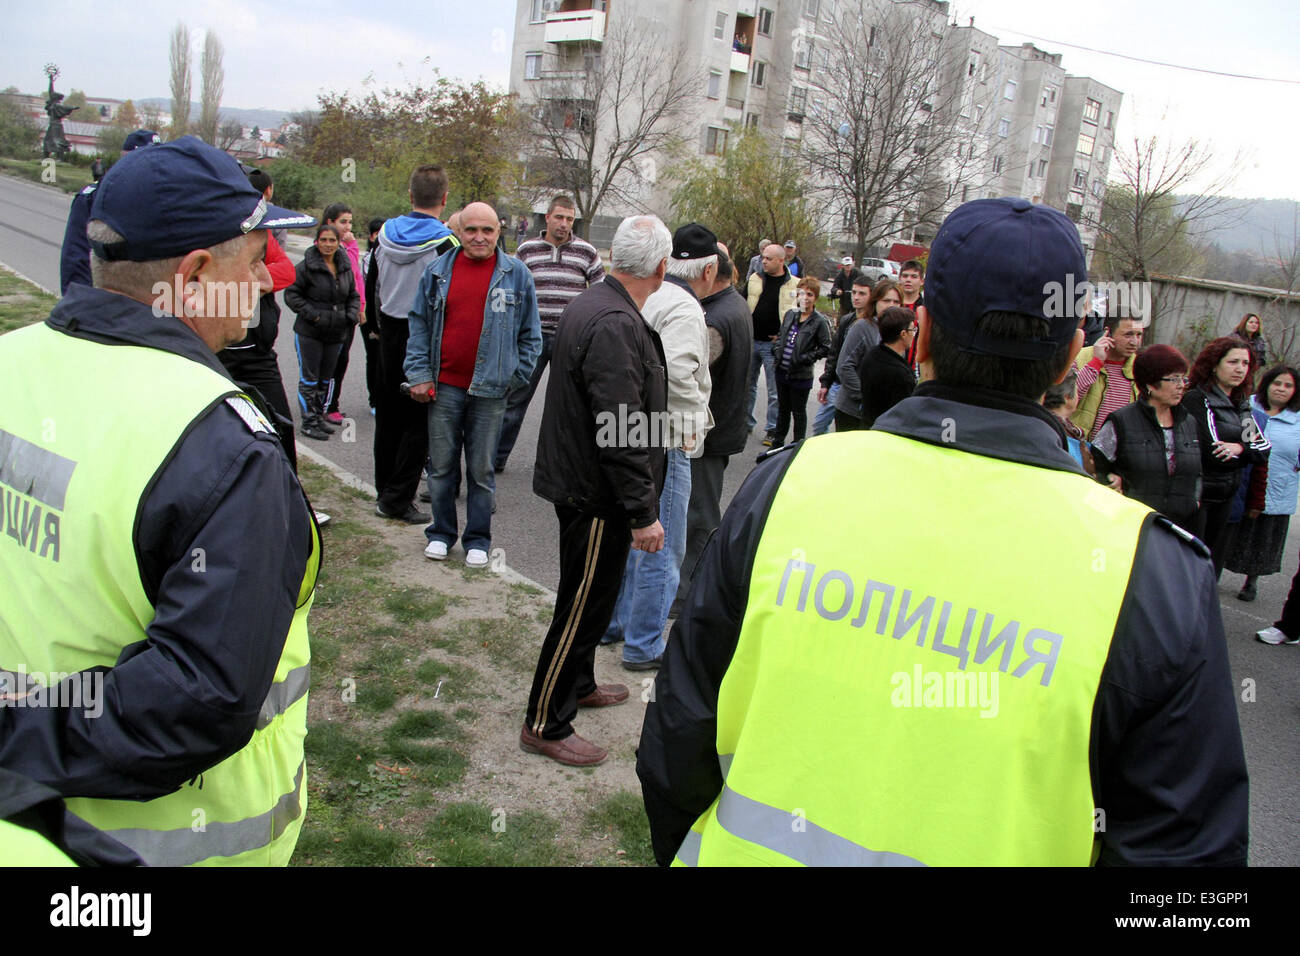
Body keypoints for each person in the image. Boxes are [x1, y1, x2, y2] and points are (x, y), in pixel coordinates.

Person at [637, 196, 1248, 867]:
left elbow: (677, 739)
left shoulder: (786, 489)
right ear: (1072, 354)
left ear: (921, 334)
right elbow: (1185, 856)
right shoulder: (1152, 570)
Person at [0, 135, 322, 866]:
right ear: (197, 272)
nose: (271, 281)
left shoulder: (10, 361)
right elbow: (193, 703)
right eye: (254, 257)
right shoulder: (221, 443)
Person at [523, 215, 671, 767]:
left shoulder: (600, 301)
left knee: (597, 594)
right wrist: (643, 512)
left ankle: (580, 682)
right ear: (660, 267)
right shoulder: (612, 320)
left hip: (591, 483)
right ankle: (545, 720)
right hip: (595, 492)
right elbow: (621, 427)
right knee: (581, 604)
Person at [602, 223, 716, 670]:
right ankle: (644, 643)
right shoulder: (684, 309)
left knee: (629, 537)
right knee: (659, 545)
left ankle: (614, 625)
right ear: (706, 271)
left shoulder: (636, 296)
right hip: (663, 441)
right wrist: (692, 427)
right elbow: (675, 377)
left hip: (626, 433)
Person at [404, 202, 541, 568]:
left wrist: (515, 376)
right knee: (442, 467)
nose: (479, 237)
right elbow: (417, 326)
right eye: (471, 230)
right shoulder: (437, 272)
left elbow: (531, 336)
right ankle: (441, 534)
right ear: (459, 232)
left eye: (487, 230)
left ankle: (478, 539)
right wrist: (418, 374)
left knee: (481, 471)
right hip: (444, 387)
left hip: (491, 392)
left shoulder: (516, 275)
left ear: (499, 232)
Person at [373, 165, 459, 524]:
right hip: (424, 337)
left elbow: (371, 284)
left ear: (410, 196)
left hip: (387, 330)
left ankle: (384, 491)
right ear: (444, 198)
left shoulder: (383, 236)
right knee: (419, 423)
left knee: (388, 416)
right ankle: (398, 499)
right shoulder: (446, 243)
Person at [496, 195, 606, 473]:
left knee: (569, 405)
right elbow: (511, 290)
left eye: (570, 219)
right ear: (547, 217)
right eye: (559, 217)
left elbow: (601, 294)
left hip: (571, 339)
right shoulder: (527, 249)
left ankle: (565, 465)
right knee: (515, 400)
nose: (564, 224)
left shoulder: (587, 252)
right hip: (532, 338)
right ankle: (495, 458)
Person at [672, 244, 751, 617]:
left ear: (709, 272)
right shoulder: (733, 304)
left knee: (698, 516)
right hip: (723, 426)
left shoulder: (715, 318)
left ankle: (686, 593)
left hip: (709, 432)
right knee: (700, 511)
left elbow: (692, 375)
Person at [218, 166, 305, 472]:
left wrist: (256, 276)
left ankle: (291, 499)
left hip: (258, 354)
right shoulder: (204, 232)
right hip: (215, 356)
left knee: (280, 426)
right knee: (224, 435)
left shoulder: (262, 232)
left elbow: (287, 270)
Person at [1182, 337, 1271, 576]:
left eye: (1245, 362)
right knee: (1191, 568)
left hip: (1227, 497)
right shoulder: (1198, 399)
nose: (1240, 368)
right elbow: (1214, 452)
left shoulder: (1240, 404)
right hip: (1199, 497)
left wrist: (1240, 448)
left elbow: (1262, 448)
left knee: (1212, 571)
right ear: (1214, 365)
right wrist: (1246, 449)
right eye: (1233, 362)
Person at [1090, 345, 1200, 529]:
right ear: (1150, 384)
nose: (1181, 385)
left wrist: (1194, 500)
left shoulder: (1188, 422)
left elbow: (1197, 473)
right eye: (1174, 379)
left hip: (1179, 527)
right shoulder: (1122, 421)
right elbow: (1094, 464)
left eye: (1183, 378)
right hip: (1132, 524)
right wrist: (1109, 479)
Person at [1225, 364, 1300, 601]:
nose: (1281, 389)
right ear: (1267, 384)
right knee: (1231, 534)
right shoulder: (1248, 408)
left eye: (1288, 385)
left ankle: (1251, 581)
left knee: (1263, 540)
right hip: (1246, 484)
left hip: (1279, 488)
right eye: (1277, 383)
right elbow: (1245, 444)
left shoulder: (1298, 419)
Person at [59, 129, 159, 294]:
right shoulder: (93, 198)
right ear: (125, 159)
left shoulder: (163, 201)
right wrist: (79, 306)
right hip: (105, 302)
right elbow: (77, 256)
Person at [284, 223, 360, 441]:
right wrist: (315, 315)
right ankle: (308, 422)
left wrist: (350, 315)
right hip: (310, 331)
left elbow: (353, 295)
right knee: (310, 378)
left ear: (338, 242)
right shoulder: (305, 267)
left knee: (325, 379)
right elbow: (292, 295)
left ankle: (318, 417)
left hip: (336, 332)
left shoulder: (344, 266)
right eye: (324, 240)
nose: (328, 244)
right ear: (316, 241)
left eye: (332, 240)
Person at [746, 242, 799, 443]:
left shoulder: (793, 284)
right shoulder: (755, 278)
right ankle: (746, 423)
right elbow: (744, 303)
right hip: (752, 339)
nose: (764, 261)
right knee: (747, 385)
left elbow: (800, 314)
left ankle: (772, 429)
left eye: (769, 258)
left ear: (781, 260)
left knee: (774, 390)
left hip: (772, 345)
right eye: (763, 257)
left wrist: (783, 335)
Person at [770, 276, 831, 446]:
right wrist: (776, 350)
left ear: (815, 298)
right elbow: (782, 336)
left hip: (801, 375)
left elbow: (826, 347)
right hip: (782, 371)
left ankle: (797, 444)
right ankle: (777, 444)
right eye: (802, 293)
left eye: (810, 294)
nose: (805, 298)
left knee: (798, 412)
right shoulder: (791, 314)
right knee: (783, 410)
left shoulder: (819, 321)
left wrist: (805, 358)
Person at [321, 203, 367, 426]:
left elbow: (357, 279)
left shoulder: (348, 247)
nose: (348, 227)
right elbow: (344, 271)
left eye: (350, 222)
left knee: (342, 360)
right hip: (333, 315)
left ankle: (330, 403)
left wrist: (361, 307)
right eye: (343, 222)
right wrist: (350, 246)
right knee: (332, 361)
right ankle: (325, 406)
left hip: (349, 313)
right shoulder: (329, 248)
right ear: (330, 223)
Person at [833, 278, 900, 431]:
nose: (891, 306)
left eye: (896, 302)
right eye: (886, 300)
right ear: (875, 302)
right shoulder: (863, 327)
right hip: (852, 411)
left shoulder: (898, 332)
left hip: (879, 415)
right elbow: (844, 367)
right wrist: (866, 397)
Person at [814, 273, 876, 436]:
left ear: (872, 296)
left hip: (857, 384)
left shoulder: (873, 325)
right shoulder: (847, 320)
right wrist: (826, 382)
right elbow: (834, 353)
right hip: (838, 382)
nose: (856, 297)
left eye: (862, 293)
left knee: (847, 432)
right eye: (854, 292)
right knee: (819, 425)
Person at [1071, 314, 1143, 441]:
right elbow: (1067, 399)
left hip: (1117, 452)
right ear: (1108, 333)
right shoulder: (1080, 357)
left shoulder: (1140, 368)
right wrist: (1096, 362)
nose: (1134, 342)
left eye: (1138, 335)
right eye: (1128, 335)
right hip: (1076, 446)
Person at [857, 306, 917, 427]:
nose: (914, 334)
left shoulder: (872, 355)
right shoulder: (901, 375)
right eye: (913, 330)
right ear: (903, 334)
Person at [1041, 367, 1096, 476]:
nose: (1077, 396)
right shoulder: (1059, 432)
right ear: (1066, 397)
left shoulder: (1046, 423)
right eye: (1076, 391)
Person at [360, 217, 386, 416]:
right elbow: (369, 290)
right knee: (374, 358)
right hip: (370, 317)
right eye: (377, 234)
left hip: (388, 316)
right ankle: (375, 399)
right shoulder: (368, 259)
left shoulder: (392, 256)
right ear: (371, 236)